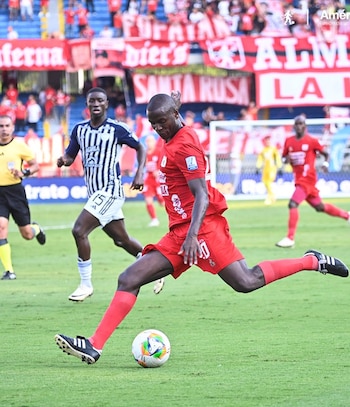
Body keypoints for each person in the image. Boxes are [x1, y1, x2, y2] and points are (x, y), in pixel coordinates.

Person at [54, 92, 349, 365]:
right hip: (179, 233)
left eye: (162, 122)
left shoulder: (185, 147)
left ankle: (312, 261)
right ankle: (94, 345)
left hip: (202, 229)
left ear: (175, 116)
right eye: (153, 123)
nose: (158, 128)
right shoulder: (174, 130)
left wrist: (194, 236)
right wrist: (174, 104)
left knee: (245, 282)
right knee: (129, 278)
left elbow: (202, 196)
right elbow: (170, 120)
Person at [56, 87, 164, 302]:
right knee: (121, 240)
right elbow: (70, 155)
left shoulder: (117, 128)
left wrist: (139, 173)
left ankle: (86, 284)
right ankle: (156, 267)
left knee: (79, 231)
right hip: (95, 194)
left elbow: (140, 147)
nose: (96, 104)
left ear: (106, 104)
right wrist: (63, 160)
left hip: (111, 192)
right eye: (92, 101)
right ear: (87, 105)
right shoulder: (79, 130)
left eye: (100, 101)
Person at [276, 115, 350, 248]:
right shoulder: (289, 141)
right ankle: (347, 215)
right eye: (297, 124)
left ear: (305, 126)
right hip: (298, 178)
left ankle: (290, 238)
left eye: (301, 124)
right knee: (319, 207)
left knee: (293, 204)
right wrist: (285, 160)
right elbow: (284, 158)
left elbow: (326, 153)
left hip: (308, 179)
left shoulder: (311, 141)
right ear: (294, 126)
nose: (299, 126)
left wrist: (326, 164)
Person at [0, 115, 46, 280]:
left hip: (15, 192)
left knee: (26, 234)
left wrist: (24, 172)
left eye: (7, 125)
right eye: (1, 126)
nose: (4, 129)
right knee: (1, 227)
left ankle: (37, 229)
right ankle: (9, 271)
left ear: (12, 128)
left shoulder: (19, 146)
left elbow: (35, 166)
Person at [142, 134, 165, 227]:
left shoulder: (159, 152)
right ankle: (154, 219)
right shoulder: (145, 153)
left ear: (154, 142)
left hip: (158, 180)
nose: (149, 143)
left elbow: (164, 164)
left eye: (151, 141)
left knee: (162, 202)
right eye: (147, 141)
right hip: (149, 179)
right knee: (148, 199)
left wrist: (159, 171)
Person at [256, 135, 282, 205]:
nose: (268, 142)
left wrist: (279, 167)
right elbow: (260, 159)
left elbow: (277, 158)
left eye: (269, 140)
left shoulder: (273, 149)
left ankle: (269, 198)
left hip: (272, 169)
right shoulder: (263, 150)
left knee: (269, 183)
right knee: (265, 183)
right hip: (265, 169)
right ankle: (272, 196)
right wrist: (258, 167)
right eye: (266, 140)